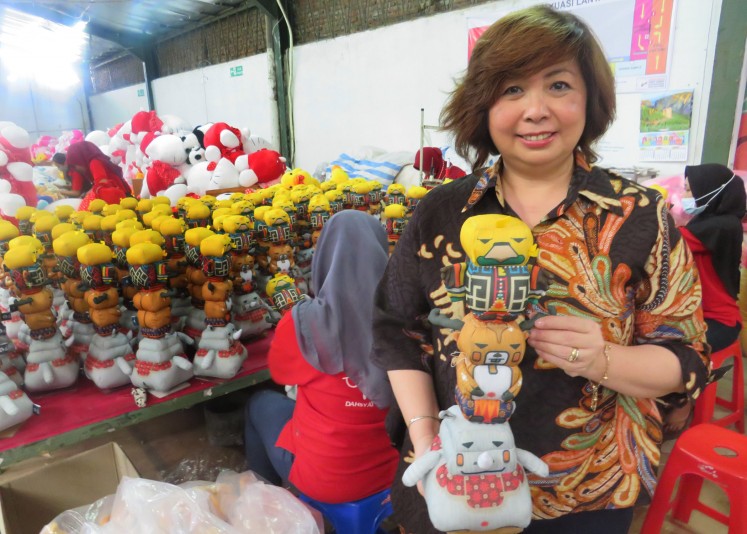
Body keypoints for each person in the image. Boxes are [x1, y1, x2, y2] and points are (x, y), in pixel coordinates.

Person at [372, 5, 709, 533]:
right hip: (455, 482)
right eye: (511, 90)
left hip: (587, 492)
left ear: (589, 101)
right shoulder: (440, 212)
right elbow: (396, 328)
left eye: (557, 85)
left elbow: (686, 358)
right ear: (483, 104)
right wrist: (425, 439)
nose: (535, 110)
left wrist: (601, 360)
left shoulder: (639, 216)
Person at [244, 209, 399, 504]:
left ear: (324, 255)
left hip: (326, 480)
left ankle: (267, 505)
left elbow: (280, 373)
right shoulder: (405, 322)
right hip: (393, 472)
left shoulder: (304, 323)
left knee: (258, 404)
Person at [662, 164, 745, 433]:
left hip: (719, 321)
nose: (684, 194)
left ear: (711, 192)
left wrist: (656, 212)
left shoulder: (721, 226)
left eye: (689, 189)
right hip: (699, 316)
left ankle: (683, 400)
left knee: (670, 349)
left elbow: (670, 241)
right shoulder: (709, 223)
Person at [55, 142, 132, 209]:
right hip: (118, 196)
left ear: (80, 159)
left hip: (119, 199)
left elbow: (102, 183)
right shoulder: (95, 161)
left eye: (75, 165)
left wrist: (86, 196)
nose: (76, 169)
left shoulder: (94, 163)